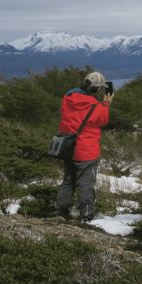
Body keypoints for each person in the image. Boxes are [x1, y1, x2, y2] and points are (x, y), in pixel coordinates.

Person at [55, 71, 113, 221]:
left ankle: (61, 211)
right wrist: (106, 103)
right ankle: (86, 215)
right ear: (99, 89)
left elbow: (70, 100)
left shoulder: (68, 98)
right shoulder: (96, 106)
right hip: (86, 150)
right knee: (86, 183)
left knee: (68, 180)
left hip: (69, 147)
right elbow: (103, 120)